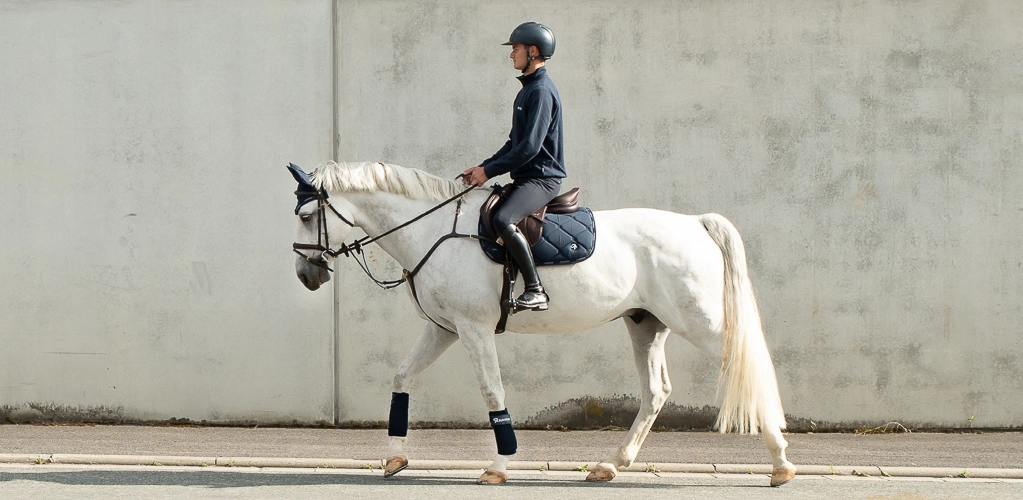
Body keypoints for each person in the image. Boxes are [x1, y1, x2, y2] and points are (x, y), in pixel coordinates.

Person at [463, 22, 565, 313]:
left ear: (533, 52)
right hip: (527, 178)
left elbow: (530, 148)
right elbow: (514, 143)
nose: (512, 55)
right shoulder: (527, 90)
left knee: (504, 218)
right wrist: (483, 167)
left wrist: (490, 171)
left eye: (516, 49)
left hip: (542, 179)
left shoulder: (541, 91)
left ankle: (536, 290)